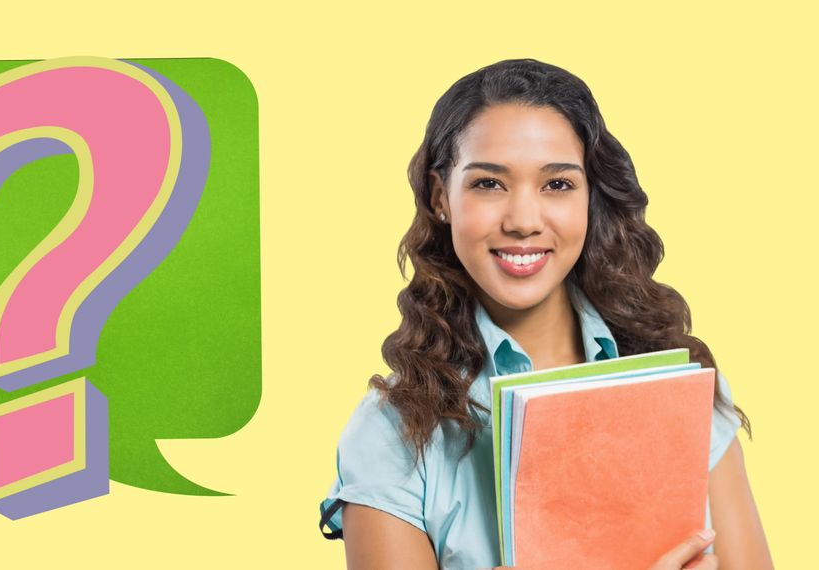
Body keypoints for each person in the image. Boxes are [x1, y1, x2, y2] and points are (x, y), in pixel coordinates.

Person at [317, 59, 773, 570]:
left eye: (557, 184)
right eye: (489, 183)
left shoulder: (678, 381)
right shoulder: (392, 435)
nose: (524, 221)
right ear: (442, 196)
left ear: (591, 195)